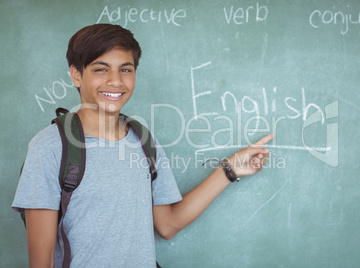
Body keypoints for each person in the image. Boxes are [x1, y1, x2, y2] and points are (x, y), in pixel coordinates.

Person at [12, 23, 274, 268]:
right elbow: (42, 259)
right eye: (101, 69)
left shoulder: (143, 140)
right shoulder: (49, 147)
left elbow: (168, 223)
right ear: (76, 75)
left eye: (125, 69)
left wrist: (230, 169)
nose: (115, 80)